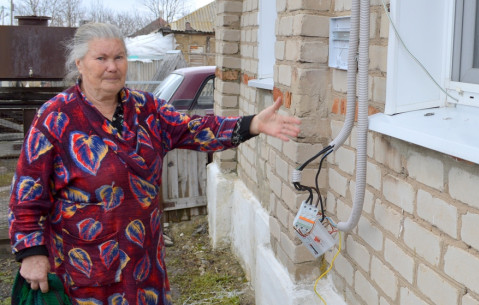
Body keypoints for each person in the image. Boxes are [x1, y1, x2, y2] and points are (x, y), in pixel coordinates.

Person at [8, 22, 300, 304]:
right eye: (101, 58)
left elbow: (195, 129)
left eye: (119, 57)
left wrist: (252, 124)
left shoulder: (147, 109)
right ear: (79, 63)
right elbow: (27, 191)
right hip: (83, 270)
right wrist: (31, 252)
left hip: (143, 267)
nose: (112, 66)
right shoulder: (55, 117)